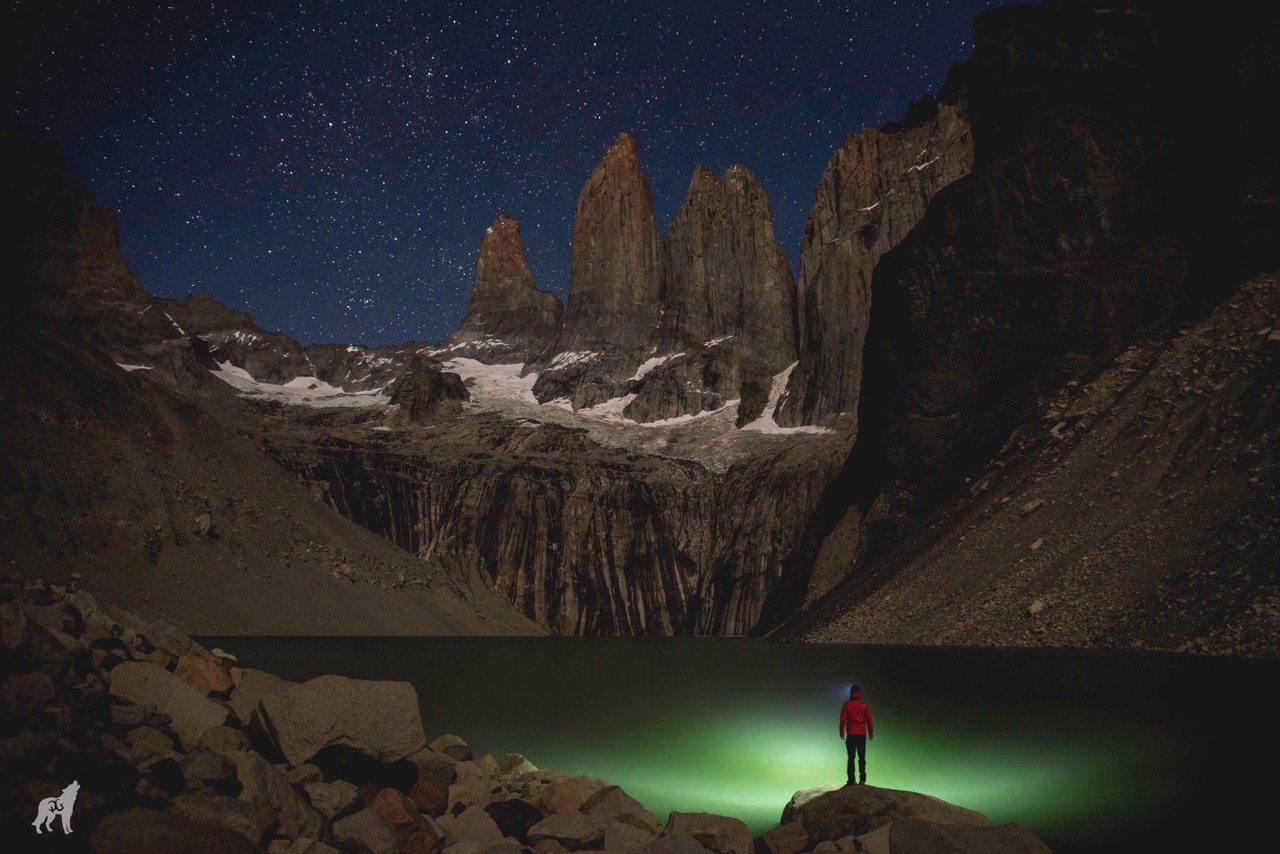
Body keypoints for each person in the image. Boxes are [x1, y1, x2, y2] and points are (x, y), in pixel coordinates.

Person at [839, 683, 874, 785]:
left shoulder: (847, 704)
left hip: (851, 734)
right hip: (861, 735)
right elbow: (869, 720)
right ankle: (862, 780)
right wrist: (871, 732)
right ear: (859, 693)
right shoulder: (864, 704)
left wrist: (841, 732)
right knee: (862, 758)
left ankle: (851, 780)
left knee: (851, 758)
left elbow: (843, 719)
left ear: (850, 693)